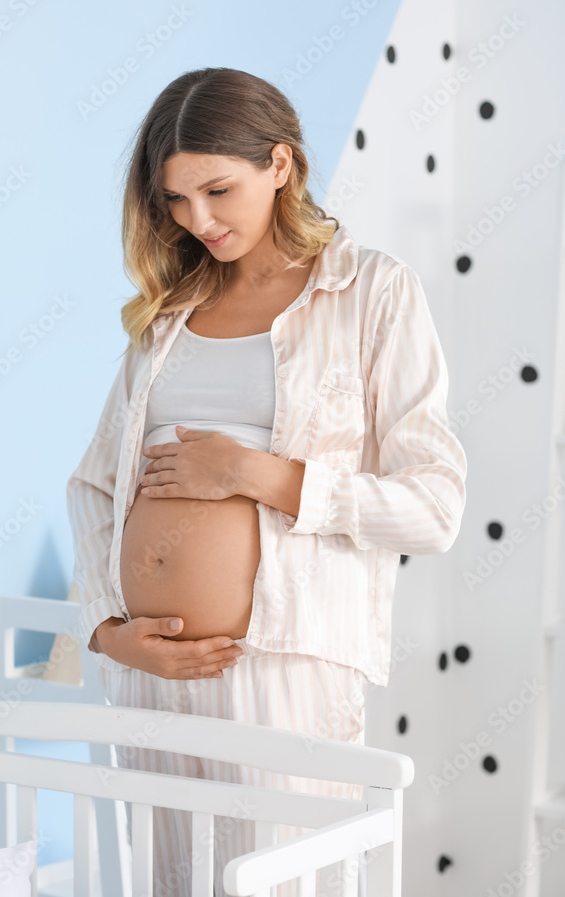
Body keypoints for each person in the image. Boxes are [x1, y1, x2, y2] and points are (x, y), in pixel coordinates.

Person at [66, 66, 467, 896]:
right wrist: (108, 634)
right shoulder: (168, 314)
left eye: (217, 190)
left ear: (280, 165)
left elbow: (432, 509)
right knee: (173, 885)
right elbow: (96, 491)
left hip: (285, 669)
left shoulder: (372, 294)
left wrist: (258, 475)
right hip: (151, 675)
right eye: (175, 200)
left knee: (277, 883)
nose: (197, 220)